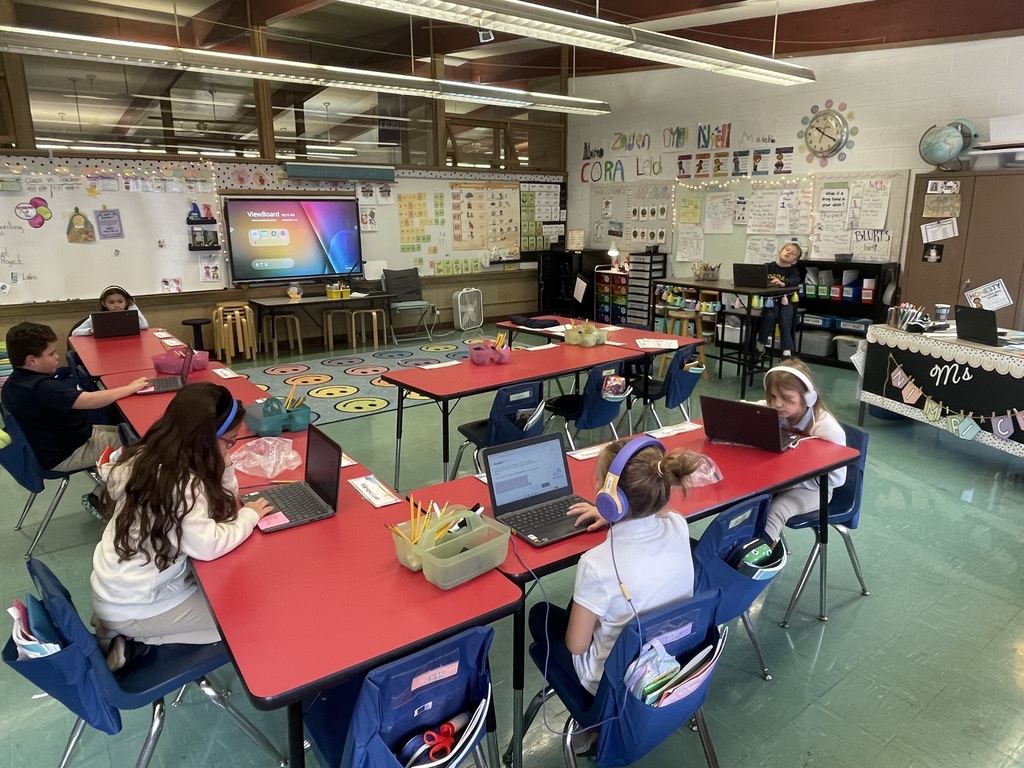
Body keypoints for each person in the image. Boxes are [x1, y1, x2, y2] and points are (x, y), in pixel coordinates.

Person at [90, 383, 274, 668]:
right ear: (204, 440)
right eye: (230, 441)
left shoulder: (146, 457)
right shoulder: (183, 484)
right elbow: (209, 545)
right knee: (247, 626)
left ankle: (120, 629)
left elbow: (220, 508)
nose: (231, 449)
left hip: (118, 586)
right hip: (138, 604)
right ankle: (133, 641)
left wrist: (222, 462)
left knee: (226, 597)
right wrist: (249, 515)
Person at [529, 436, 702, 709]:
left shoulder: (596, 564)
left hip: (610, 682)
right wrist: (617, 517)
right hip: (666, 657)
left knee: (540, 614)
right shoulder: (677, 525)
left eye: (598, 483)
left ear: (611, 500)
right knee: (592, 605)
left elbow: (576, 646)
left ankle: (592, 725)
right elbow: (657, 513)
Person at [2, 322, 149, 472]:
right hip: (68, 452)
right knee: (147, 446)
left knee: (136, 433)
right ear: (31, 360)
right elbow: (91, 401)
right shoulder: (42, 388)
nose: (57, 357)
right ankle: (112, 491)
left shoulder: (14, 383)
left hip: (56, 443)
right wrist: (131, 388)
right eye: (51, 354)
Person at [761, 359, 847, 543]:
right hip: (782, 480)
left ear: (809, 398)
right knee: (749, 500)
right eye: (773, 397)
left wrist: (795, 481)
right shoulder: (781, 412)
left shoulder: (827, 429)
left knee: (777, 510)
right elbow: (755, 407)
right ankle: (739, 547)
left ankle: (759, 555)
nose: (777, 404)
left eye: (787, 399)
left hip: (817, 490)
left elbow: (837, 479)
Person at [750, 242, 804, 365]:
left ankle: (786, 353)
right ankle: (760, 346)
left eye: (793, 253)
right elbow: (757, 277)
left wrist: (783, 283)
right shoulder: (768, 267)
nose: (789, 253)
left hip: (786, 301)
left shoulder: (793, 271)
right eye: (787, 250)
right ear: (780, 252)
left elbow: (795, 281)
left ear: (794, 261)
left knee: (785, 318)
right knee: (769, 315)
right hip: (770, 301)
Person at [70, 285, 150, 336]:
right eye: (111, 302)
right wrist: (90, 331)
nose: (116, 305)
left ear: (126, 302)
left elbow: (144, 326)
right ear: (104, 304)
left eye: (120, 301)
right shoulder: (97, 318)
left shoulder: (130, 316)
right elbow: (75, 332)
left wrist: (132, 305)